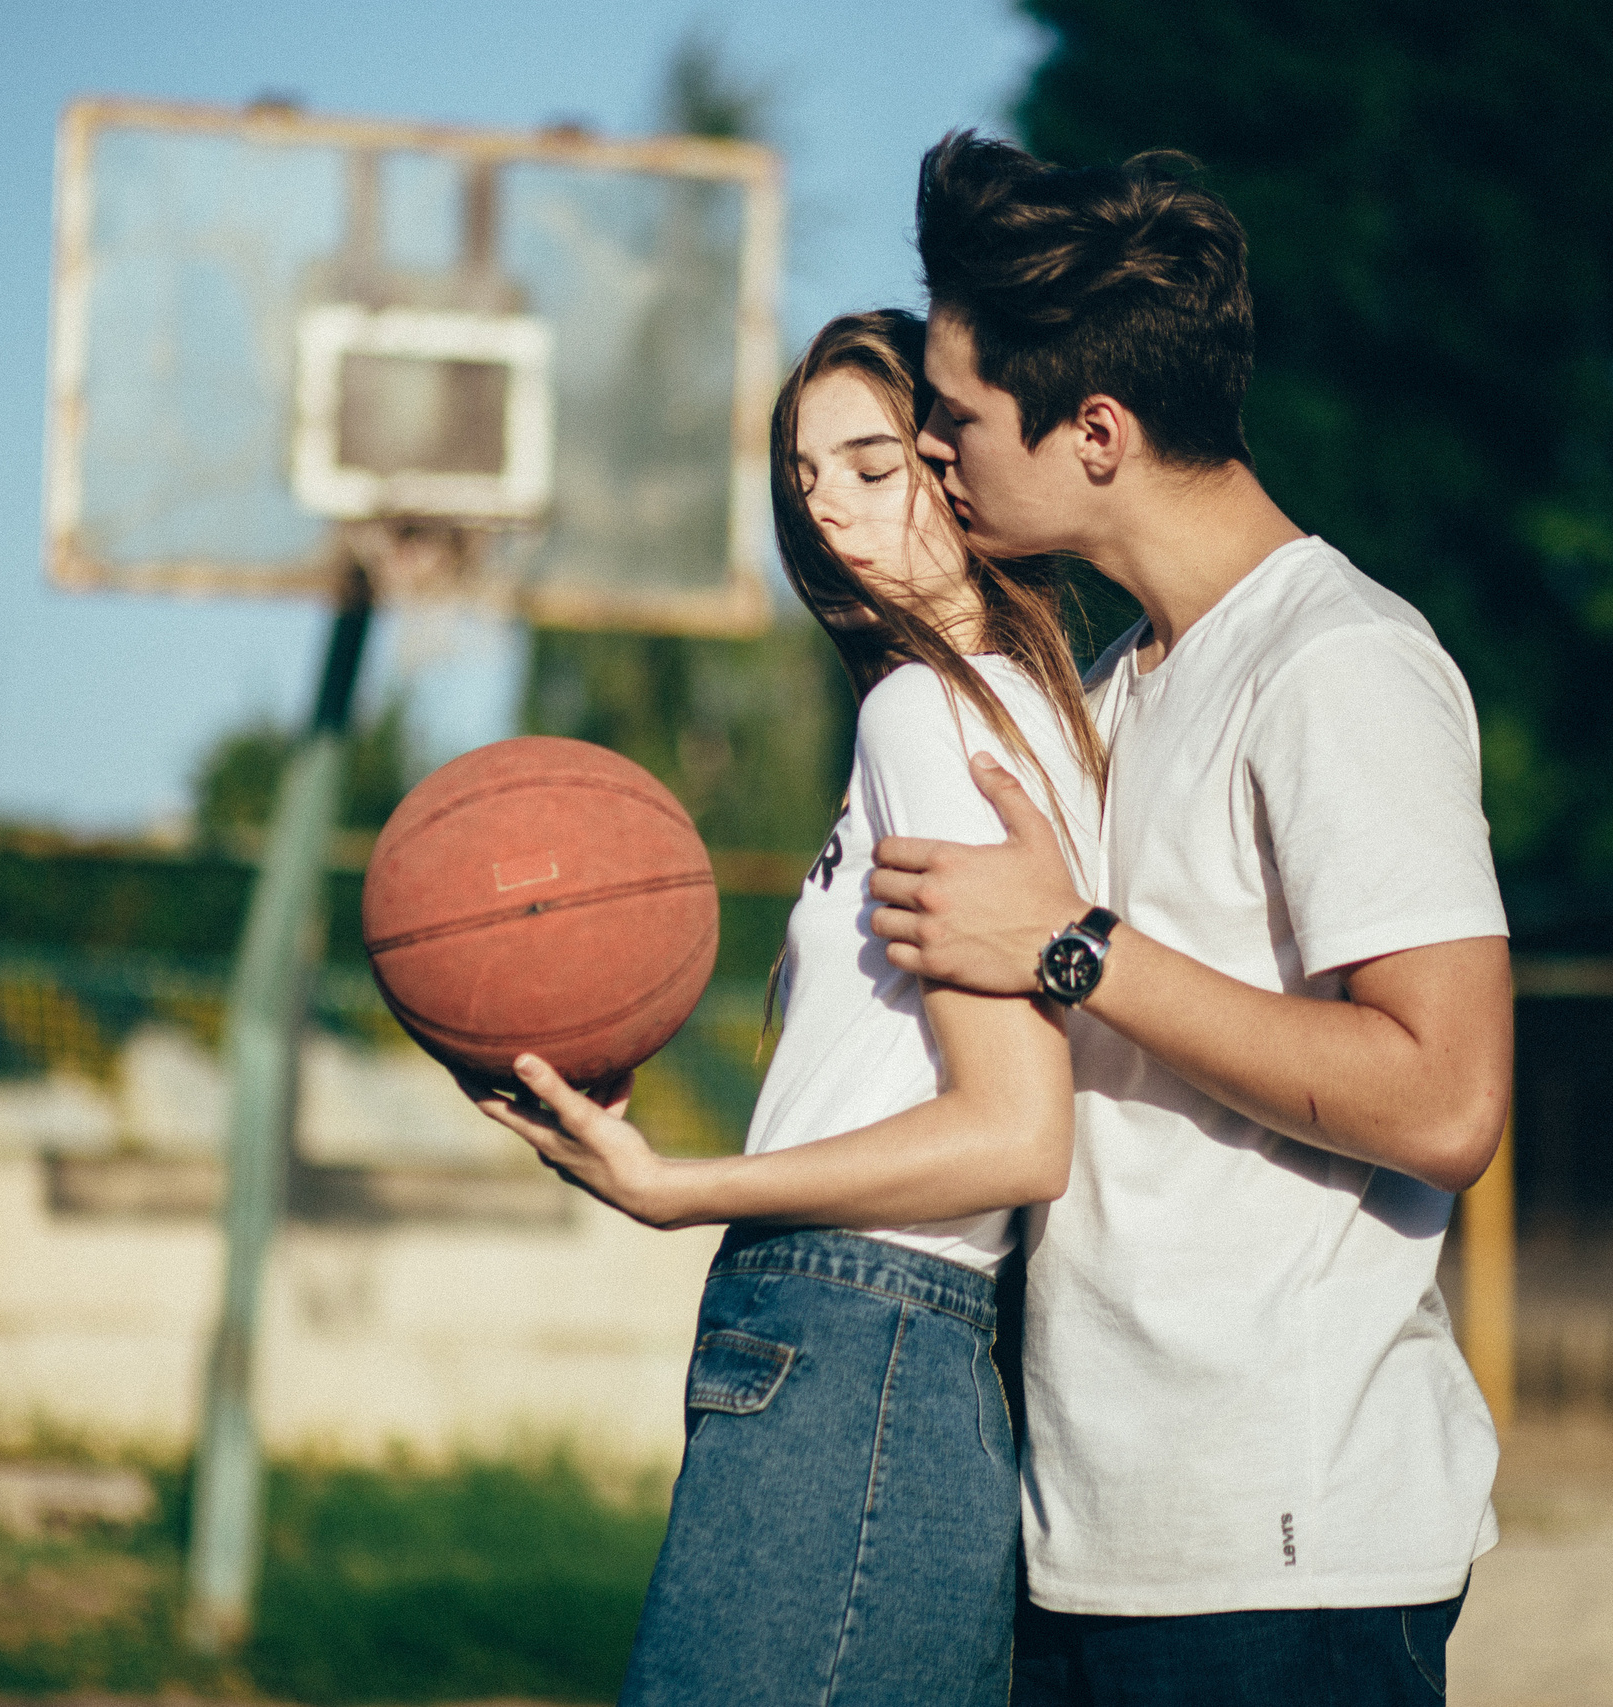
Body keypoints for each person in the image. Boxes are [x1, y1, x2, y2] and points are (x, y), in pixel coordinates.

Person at [868, 134, 1516, 1704]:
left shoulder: (1339, 663)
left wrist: (1076, 946)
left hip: (1281, 1562)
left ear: (1096, 429)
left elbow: (1447, 1098)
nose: (936, 452)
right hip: (1093, 1542)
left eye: (955, 418)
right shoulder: (1117, 691)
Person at [474, 309, 1105, 1707]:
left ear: (958, 466)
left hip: (857, 1333)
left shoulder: (929, 717)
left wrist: (681, 1184)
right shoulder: (1011, 711)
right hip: (904, 1356)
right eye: (805, 482)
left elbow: (1014, 1134)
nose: (827, 513)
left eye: (872, 466)